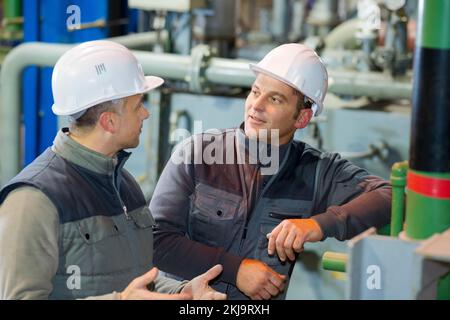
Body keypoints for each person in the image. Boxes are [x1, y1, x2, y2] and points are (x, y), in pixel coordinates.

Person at [149, 43, 392, 300]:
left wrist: (318, 225)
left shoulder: (316, 170)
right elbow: (155, 241)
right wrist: (236, 270)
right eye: (255, 92)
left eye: (275, 98)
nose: (257, 105)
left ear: (302, 118)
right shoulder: (198, 153)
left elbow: (389, 196)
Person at [0, 40, 226, 300]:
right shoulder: (33, 200)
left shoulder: (124, 184)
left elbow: (135, 283)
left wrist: (182, 291)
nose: (145, 114)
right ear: (109, 121)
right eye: (138, 104)